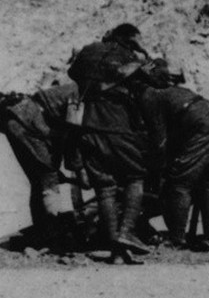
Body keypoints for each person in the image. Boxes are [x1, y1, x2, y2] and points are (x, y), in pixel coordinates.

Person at [64, 51, 155, 262]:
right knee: (135, 178)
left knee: (105, 189)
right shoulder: (123, 66)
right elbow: (150, 85)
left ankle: (118, 252)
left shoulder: (87, 71)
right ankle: (126, 231)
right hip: (116, 128)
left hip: (89, 131)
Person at [139, 60, 209, 251]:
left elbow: (159, 141)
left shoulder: (152, 96)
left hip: (206, 129)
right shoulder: (181, 91)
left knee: (180, 183)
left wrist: (157, 170)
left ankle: (176, 239)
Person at [0, 81, 79, 247]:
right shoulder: (82, 93)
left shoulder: (78, 88)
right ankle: (52, 232)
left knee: (40, 179)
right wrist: (76, 165)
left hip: (21, 120)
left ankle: (44, 228)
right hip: (26, 123)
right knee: (47, 175)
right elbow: (73, 130)